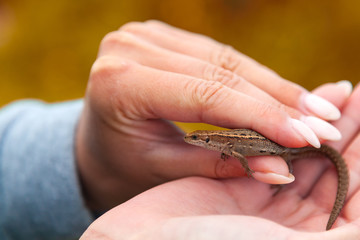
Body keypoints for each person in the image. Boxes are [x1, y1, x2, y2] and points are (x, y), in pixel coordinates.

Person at [0, 20, 357, 239]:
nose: (194, 140)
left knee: (286, 154)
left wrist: (83, 164)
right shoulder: (226, 146)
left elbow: (249, 161)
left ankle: (299, 162)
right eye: (198, 137)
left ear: (212, 138)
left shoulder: (229, 144)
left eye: (199, 137)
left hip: (283, 148)